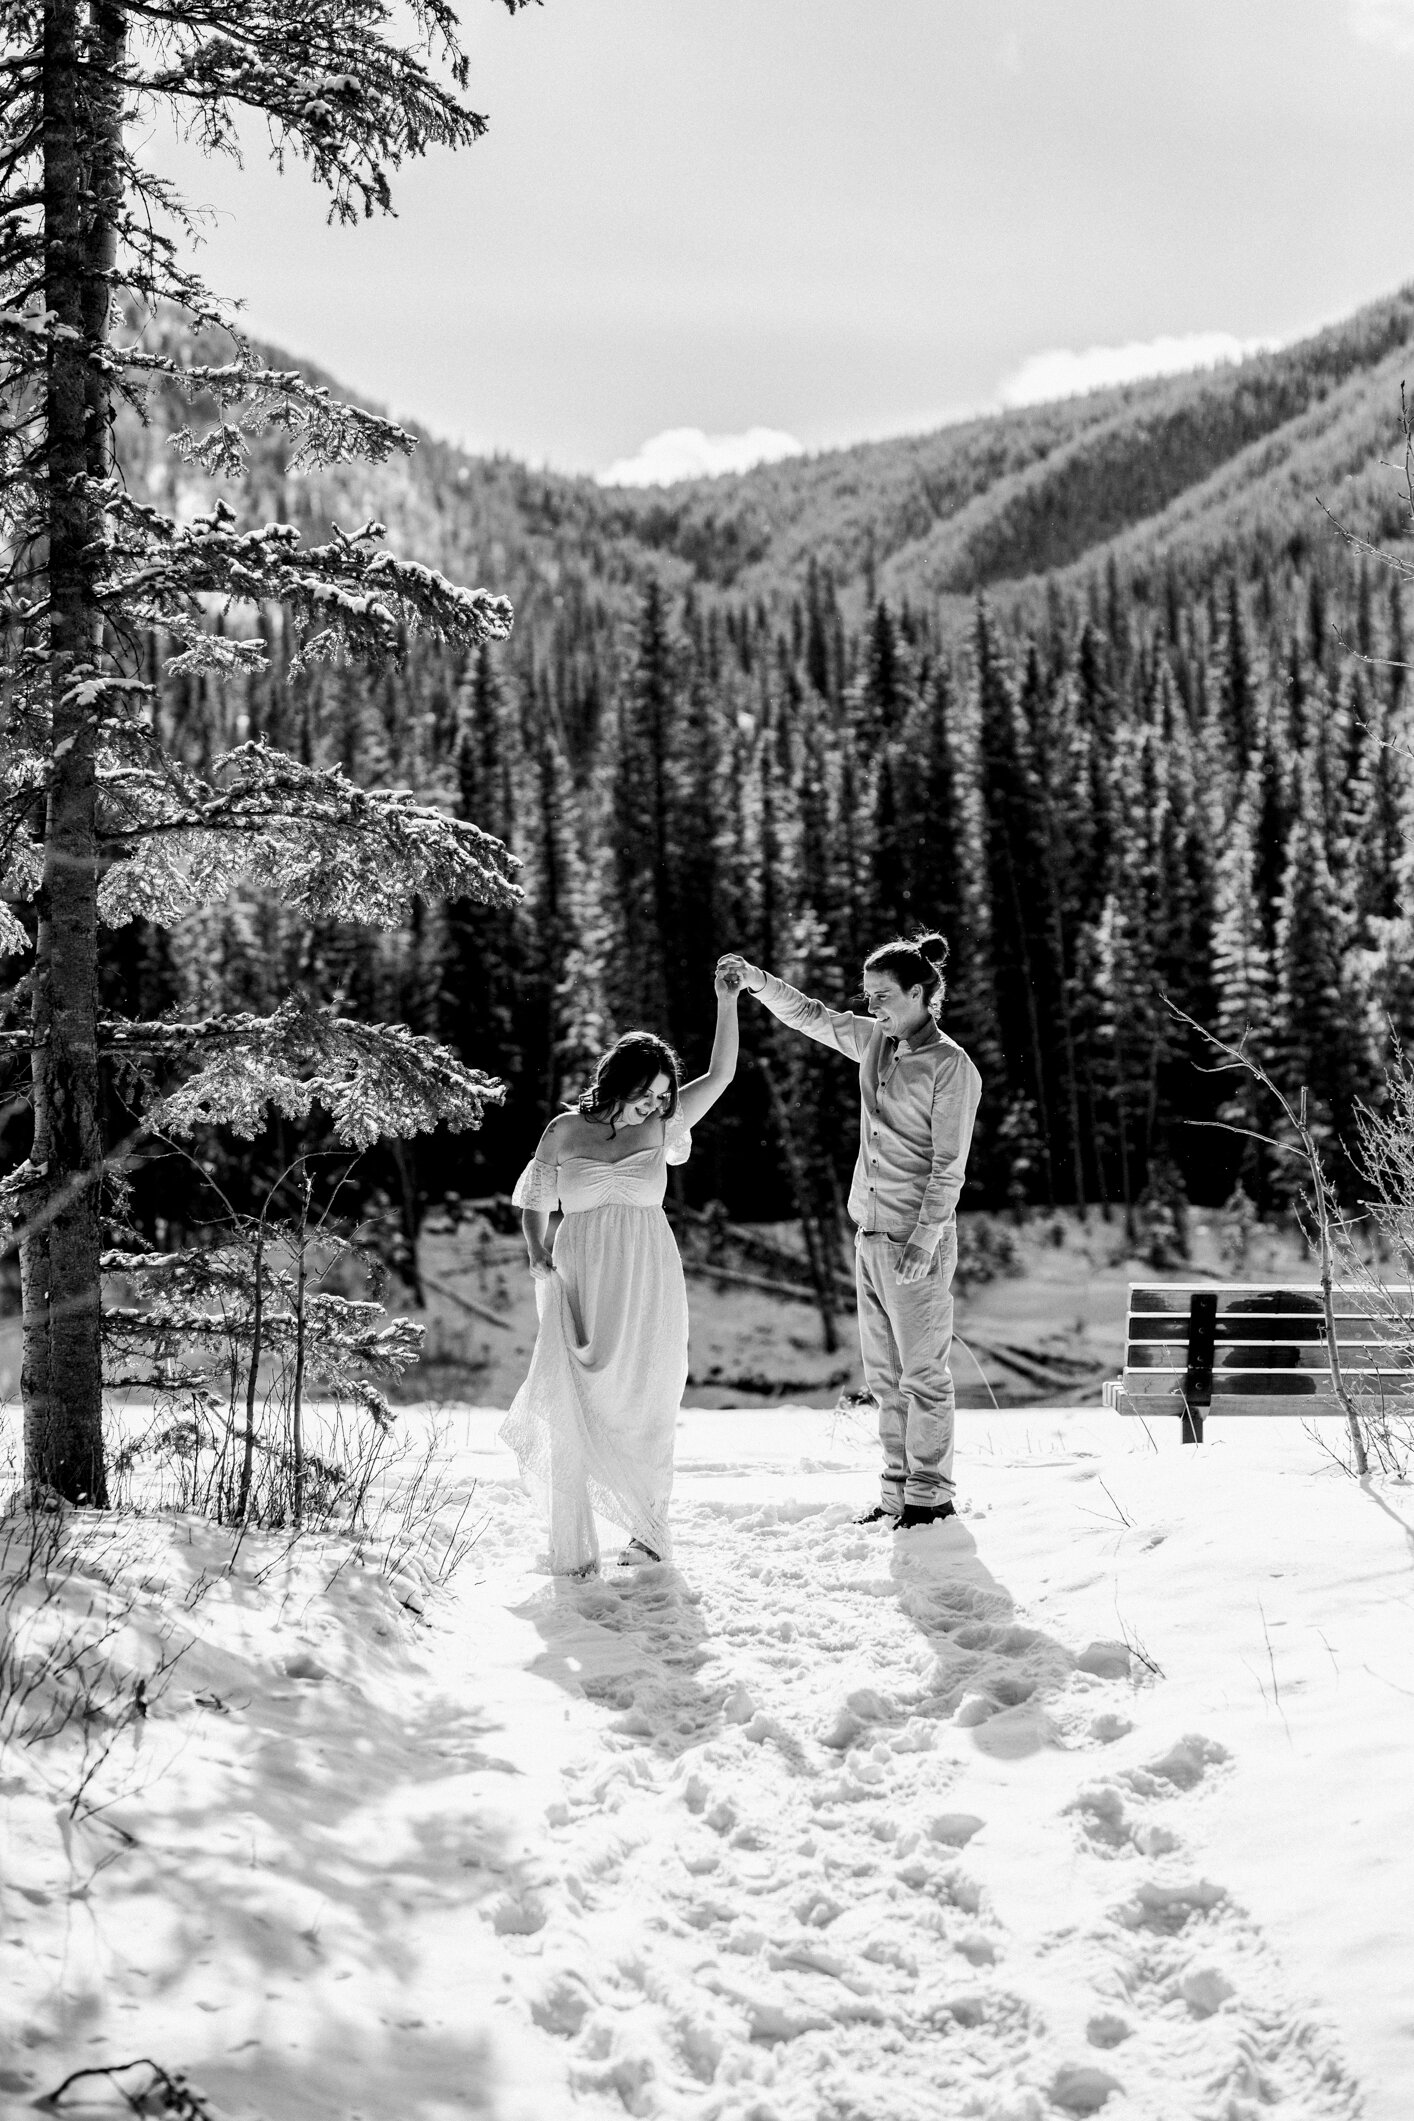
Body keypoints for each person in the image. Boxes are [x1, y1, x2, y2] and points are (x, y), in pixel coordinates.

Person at [717, 934, 981, 1530]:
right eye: (867, 997)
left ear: (919, 994)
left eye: (883, 997)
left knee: (924, 1377)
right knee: (884, 1379)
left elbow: (949, 1167)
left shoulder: (951, 1066)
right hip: (868, 1232)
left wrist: (925, 1239)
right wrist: (757, 980)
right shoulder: (873, 1043)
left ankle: (931, 1497)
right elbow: (811, 1016)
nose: (872, 1008)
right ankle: (897, 1496)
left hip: (918, 1241)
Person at [499, 969, 743, 1576]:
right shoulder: (563, 1131)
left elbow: (724, 1074)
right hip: (582, 1277)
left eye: (664, 1096)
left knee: (651, 1398)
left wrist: (725, 1003)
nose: (657, 1104)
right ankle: (578, 1540)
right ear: (618, 1082)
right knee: (582, 1399)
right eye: (649, 1093)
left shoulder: (662, 1127)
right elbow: (535, 1199)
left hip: (650, 1277)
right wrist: (536, 1252)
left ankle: (649, 1529)